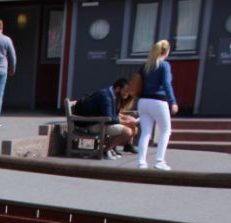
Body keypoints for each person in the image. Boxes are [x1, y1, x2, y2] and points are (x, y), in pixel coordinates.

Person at [135, 39, 177, 170]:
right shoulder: (164, 65)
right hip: (158, 101)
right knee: (166, 130)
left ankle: (141, 162)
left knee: (145, 132)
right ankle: (159, 161)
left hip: (143, 101)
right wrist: (173, 101)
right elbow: (166, 84)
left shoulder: (146, 65)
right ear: (166, 51)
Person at [73, 78, 138, 159]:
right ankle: (106, 151)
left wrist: (125, 118)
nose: (127, 94)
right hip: (94, 124)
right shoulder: (106, 97)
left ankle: (116, 148)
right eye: (125, 91)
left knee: (132, 127)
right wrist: (126, 122)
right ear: (118, 88)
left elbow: (112, 115)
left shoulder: (111, 95)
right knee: (127, 132)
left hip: (101, 122)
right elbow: (109, 118)